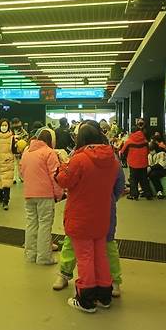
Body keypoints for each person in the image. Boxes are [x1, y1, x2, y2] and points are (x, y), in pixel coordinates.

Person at [56, 124, 120, 313]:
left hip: (81, 216)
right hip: (102, 215)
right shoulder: (112, 160)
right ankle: (104, 295)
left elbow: (63, 180)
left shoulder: (79, 159)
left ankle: (86, 299)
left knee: (84, 257)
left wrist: (62, 165)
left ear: (80, 139)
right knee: (100, 255)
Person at [20, 128, 63, 265]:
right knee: (45, 225)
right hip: (45, 195)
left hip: (28, 193)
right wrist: (59, 194)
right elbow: (55, 177)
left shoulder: (26, 151)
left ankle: (30, 255)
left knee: (31, 224)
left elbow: (22, 173)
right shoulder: (49, 153)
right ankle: (44, 257)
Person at [120, 125, 152, 200]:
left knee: (133, 179)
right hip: (143, 163)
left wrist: (126, 158)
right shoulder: (145, 141)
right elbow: (148, 151)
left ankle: (134, 195)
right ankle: (148, 194)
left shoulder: (129, 141)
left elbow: (123, 152)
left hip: (133, 163)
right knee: (144, 178)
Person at [0, 118, 15, 210]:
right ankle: (0, 197)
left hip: (7, 162)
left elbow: (14, 150)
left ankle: (6, 201)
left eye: (6, 125)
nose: (4, 127)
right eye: (2, 125)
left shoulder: (12, 137)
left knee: (6, 182)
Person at [11, 118, 28, 184]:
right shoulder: (10, 130)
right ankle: (14, 178)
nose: (16, 124)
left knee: (20, 164)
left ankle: (21, 177)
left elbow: (26, 139)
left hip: (21, 151)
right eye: (14, 123)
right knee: (13, 165)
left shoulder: (23, 131)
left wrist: (20, 141)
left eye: (17, 123)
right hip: (12, 150)